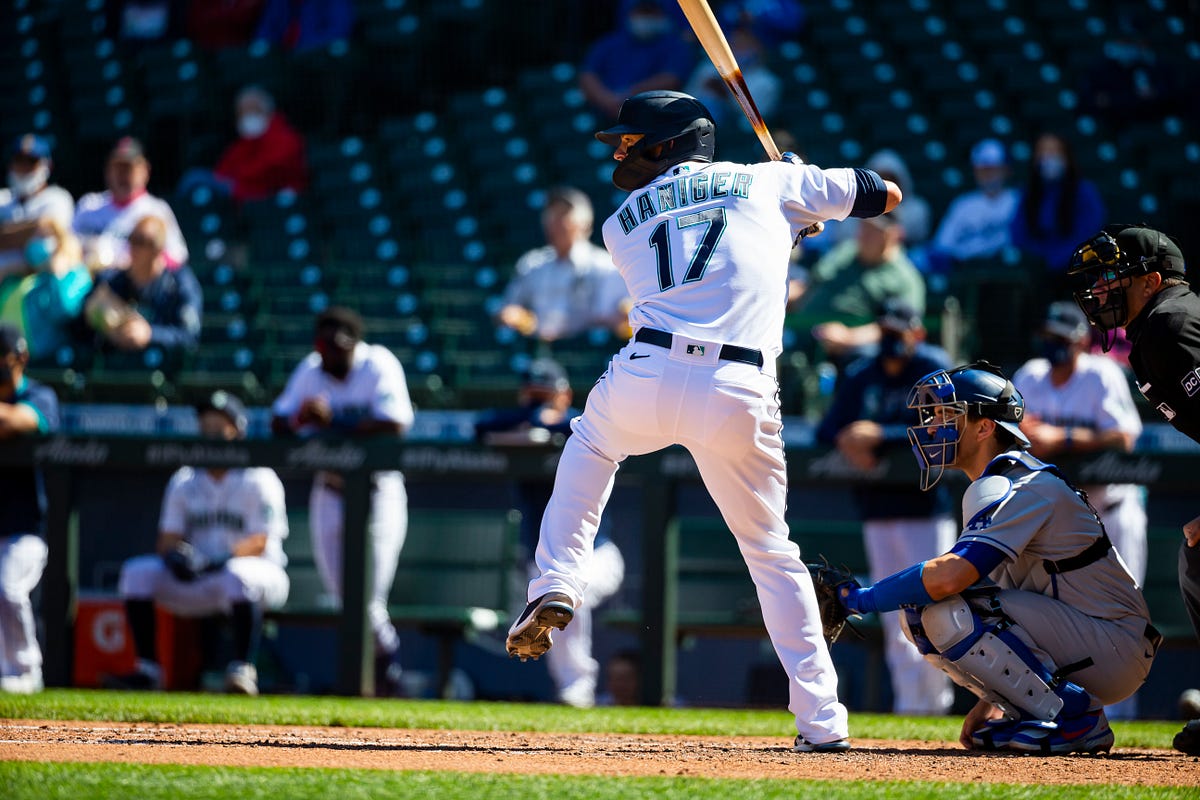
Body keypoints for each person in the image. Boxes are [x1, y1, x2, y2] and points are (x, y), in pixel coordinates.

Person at [504, 89, 903, 753]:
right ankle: (823, 725)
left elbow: (711, 254)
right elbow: (884, 195)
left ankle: (557, 583)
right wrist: (802, 187)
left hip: (649, 369)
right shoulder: (769, 180)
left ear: (671, 142)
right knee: (773, 554)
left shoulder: (620, 222)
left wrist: (790, 211)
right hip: (740, 386)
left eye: (634, 141)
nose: (623, 151)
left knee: (591, 445)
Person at [832, 361, 1157, 754]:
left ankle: (1076, 719)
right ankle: (1038, 714)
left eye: (947, 415)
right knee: (921, 612)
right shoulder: (997, 484)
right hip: (1090, 639)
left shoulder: (1022, 484)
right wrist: (994, 701)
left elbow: (951, 578)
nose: (933, 426)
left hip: (1113, 643)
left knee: (943, 606)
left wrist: (857, 599)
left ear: (985, 427)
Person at [1067, 224, 1200, 755]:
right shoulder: (1157, 326)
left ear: (1150, 279)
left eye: (1112, 278)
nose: (1100, 291)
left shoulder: (1173, 322)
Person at [815, 299, 956, 716]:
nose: (892, 342)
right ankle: (911, 708)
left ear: (917, 333)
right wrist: (849, 439)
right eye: (886, 333)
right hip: (877, 510)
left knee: (936, 610)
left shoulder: (932, 367)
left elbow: (947, 425)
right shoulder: (864, 373)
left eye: (900, 332)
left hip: (925, 509)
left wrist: (881, 435)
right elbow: (827, 428)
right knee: (896, 618)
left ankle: (939, 705)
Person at [1012, 301, 1147, 720]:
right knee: (1062, 622)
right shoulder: (1030, 375)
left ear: (1080, 343)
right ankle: (1071, 712)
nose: (1054, 347)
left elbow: (1125, 436)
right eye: (1049, 338)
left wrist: (1062, 436)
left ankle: (1122, 720)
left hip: (1110, 509)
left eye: (1062, 341)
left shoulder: (1101, 373)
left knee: (1122, 620)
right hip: (1058, 522)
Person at [270, 306, 414, 697]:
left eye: (336, 347)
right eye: (323, 347)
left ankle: (385, 672)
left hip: (378, 492)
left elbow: (395, 424)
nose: (328, 356)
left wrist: (331, 420)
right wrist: (303, 417)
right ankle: (385, 671)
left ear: (352, 344)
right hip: (331, 492)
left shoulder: (378, 364)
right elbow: (278, 421)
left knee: (367, 602)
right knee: (344, 600)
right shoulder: (311, 370)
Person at [106, 391, 290, 695]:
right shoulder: (186, 478)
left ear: (238, 431)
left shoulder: (259, 477)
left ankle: (243, 670)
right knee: (137, 572)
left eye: (220, 426)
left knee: (238, 575)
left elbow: (260, 541)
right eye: (206, 426)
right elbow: (167, 540)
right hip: (202, 577)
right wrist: (177, 558)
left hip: (260, 579)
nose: (212, 433)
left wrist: (215, 561)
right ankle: (148, 671)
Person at [474, 358, 625, 708]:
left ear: (565, 395)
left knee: (568, 589)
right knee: (558, 588)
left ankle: (577, 688)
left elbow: (587, 426)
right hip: (544, 560)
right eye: (532, 396)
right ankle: (572, 689)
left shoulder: (583, 427)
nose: (539, 404)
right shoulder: (516, 425)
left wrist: (553, 423)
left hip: (599, 554)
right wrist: (531, 419)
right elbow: (482, 425)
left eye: (547, 396)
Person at [0, 325, 58, 693]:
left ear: (20, 358)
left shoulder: (39, 394)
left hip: (24, 531)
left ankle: (26, 670)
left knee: (6, 587)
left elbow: (18, 420)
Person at [496, 187, 630, 343]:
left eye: (564, 214)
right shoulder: (532, 264)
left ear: (585, 223)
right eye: (551, 214)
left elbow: (615, 318)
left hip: (586, 354)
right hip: (539, 350)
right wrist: (515, 316)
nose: (555, 221)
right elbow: (507, 309)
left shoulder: (606, 265)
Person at [791, 212, 926, 366]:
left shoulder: (905, 278)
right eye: (863, 227)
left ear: (892, 235)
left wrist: (849, 337)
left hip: (854, 352)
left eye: (872, 231)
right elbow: (809, 284)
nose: (863, 235)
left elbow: (903, 329)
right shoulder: (845, 251)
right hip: (802, 334)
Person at [80, 214, 202, 354]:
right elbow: (81, 326)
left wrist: (151, 334)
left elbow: (190, 336)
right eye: (132, 239)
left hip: (161, 367)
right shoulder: (112, 282)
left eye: (142, 241)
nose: (133, 248)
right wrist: (102, 321)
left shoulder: (179, 283)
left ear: (158, 248)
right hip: (118, 364)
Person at [73, 137, 189, 270]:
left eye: (128, 168)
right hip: (88, 282)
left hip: (132, 285)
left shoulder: (156, 210)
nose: (122, 175)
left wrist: (137, 263)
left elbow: (177, 257)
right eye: (117, 167)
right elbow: (65, 245)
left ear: (144, 171)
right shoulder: (89, 205)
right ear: (108, 170)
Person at [1010, 132, 1105, 280]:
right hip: (1036, 271)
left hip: (1076, 269)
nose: (1049, 157)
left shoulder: (1084, 191)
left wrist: (1058, 259)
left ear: (1067, 157)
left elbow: (1089, 232)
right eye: (1043, 151)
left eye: (1055, 151)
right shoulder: (1028, 194)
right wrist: (1039, 260)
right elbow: (1019, 234)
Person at [578, 0, 695, 120]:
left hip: (652, 115)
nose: (646, 17)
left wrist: (627, 97)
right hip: (602, 111)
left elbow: (671, 79)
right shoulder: (609, 43)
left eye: (652, 12)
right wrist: (607, 100)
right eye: (642, 12)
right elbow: (588, 75)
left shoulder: (674, 45)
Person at [0, 215, 93, 364]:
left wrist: (56, 274)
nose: (37, 241)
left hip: (51, 363)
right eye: (35, 236)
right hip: (11, 363)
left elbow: (63, 312)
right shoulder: (20, 278)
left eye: (44, 236)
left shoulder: (76, 274)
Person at [925, 138, 1020, 276]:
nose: (987, 175)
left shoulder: (1017, 200)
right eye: (982, 169)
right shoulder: (963, 204)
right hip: (966, 271)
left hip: (1007, 271)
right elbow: (942, 246)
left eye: (992, 169)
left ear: (1005, 169)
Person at [206, 86, 308, 204]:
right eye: (242, 113)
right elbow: (221, 173)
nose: (248, 116)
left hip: (273, 198)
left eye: (253, 110)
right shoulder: (242, 145)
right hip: (244, 195)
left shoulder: (286, 138)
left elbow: (273, 172)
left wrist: (241, 178)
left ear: (268, 111)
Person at [0, 134, 76, 275]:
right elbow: (41, 226)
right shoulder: (2, 198)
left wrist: (6, 231)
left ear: (47, 166)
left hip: (38, 281)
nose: (24, 168)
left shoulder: (58, 197)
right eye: (19, 161)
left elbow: (51, 233)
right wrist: (35, 226)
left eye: (31, 162)